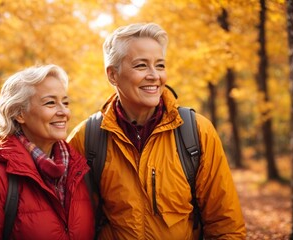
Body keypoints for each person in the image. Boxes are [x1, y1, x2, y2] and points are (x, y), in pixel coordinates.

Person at [67, 23, 246, 239]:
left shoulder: (197, 132)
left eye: (160, 66)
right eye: (141, 66)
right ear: (113, 75)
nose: (154, 76)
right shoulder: (86, 138)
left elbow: (225, 225)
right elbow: (72, 224)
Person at [0, 65, 94, 239]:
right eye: (50, 103)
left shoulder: (79, 172)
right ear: (19, 114)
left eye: (65, 102)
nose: (64, 112)